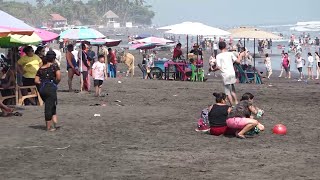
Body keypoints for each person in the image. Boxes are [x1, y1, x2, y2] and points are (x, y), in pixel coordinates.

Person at [35, 51, 61, 131]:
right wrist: (55, 83)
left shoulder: (41, 68)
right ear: (54, 58)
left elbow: (36, 80)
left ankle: (55, 124)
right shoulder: (54, 66)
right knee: (49, 107)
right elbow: (59, 77)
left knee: (51, 104)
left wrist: (42, 83)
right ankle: (48, 127)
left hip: (42, 89)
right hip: (50, 88)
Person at [213, 41, 246, 105]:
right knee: (232, 89)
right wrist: (241, 55)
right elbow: (238, 61)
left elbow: (218, 67)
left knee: (227, 91)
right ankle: (236, 102)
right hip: (232, 73)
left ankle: (232, 105)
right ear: (225, 46)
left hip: (225, 74)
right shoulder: (230, 54)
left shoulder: (218, 56)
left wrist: (213, 69)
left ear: (219, 48)